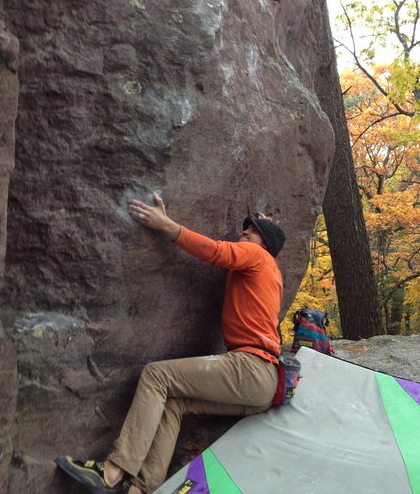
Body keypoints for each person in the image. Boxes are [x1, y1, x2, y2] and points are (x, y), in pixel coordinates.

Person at [56, 195, 286, 494]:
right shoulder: (273, 275)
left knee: (157, 375)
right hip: (263, 386)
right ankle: (141, 488)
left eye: (253, 230)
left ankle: (112, 472)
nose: (245, 232)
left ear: (266, 242)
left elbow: (216, 251)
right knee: (175, 403)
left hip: (250, 368)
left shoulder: (258, 256)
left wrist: (167, 226)